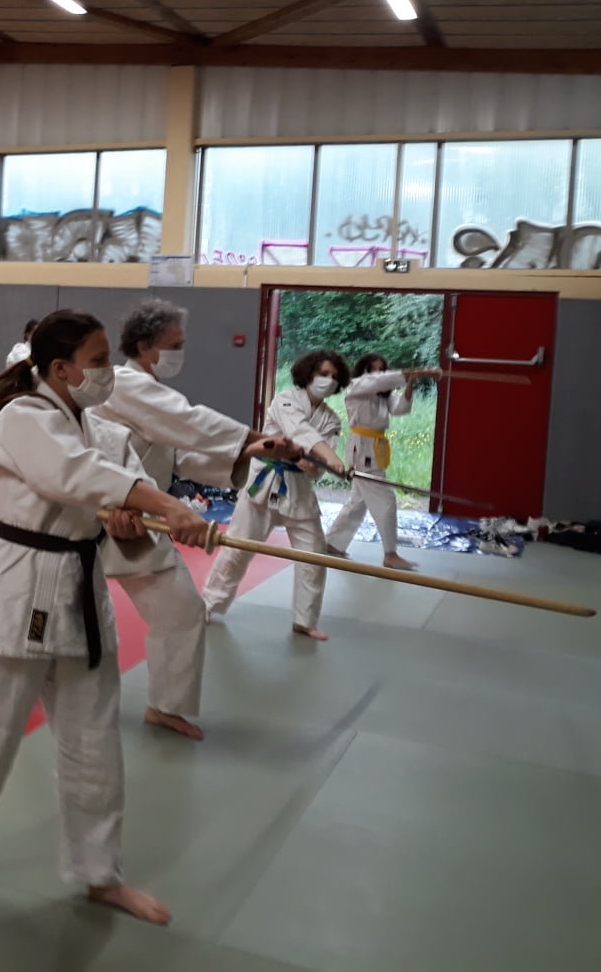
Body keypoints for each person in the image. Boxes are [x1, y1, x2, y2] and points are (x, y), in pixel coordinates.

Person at [0, 310, 212, 924]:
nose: (107, 371)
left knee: (95, 744)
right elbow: (76, 475)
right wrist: (163, 503)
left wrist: (143, 523)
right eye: (97, 360)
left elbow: (127, 511)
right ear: (60, 369)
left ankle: (100, 874)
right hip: (20, 587)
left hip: (83, 593)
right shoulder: (21, 419)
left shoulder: (105, 434)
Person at [90, 299, 299, 738]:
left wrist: (250, 450)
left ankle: (166, 705)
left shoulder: (149, 395)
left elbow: (179, 457)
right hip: (96, 514)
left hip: (142, 518)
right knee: (66, 614)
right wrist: (257, 436)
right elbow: (190, 422)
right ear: (144, 346)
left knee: (181, 610)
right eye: (174, 345)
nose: (180, 353)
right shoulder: (125, 384)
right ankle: (30, 679)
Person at [200, 349, 349, 640]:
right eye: (323, 373)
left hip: (299, 491)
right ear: (308, 373)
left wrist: (317, 464)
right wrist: (328, 456)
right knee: (237, 549)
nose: (328, 380)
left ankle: (304, 620)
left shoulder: (331, 420)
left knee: (314, 555)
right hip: (264, 483)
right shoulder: (285, 399)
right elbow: (299, 430)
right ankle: (207, 604)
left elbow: (315, 469)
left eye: (334, 376)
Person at [323, 354, 438, 570]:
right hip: (362, 447)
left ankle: (333, 542)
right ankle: (390, 553)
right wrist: (411, 373)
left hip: (374, 445)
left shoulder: (385, 393)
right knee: (385, 499)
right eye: (372, 369)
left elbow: (400, 408)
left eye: (381, 369)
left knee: (358, 500)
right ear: (363, 370)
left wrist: (411, 381)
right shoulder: (357, 385)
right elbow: (376, 381)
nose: (377, 373)